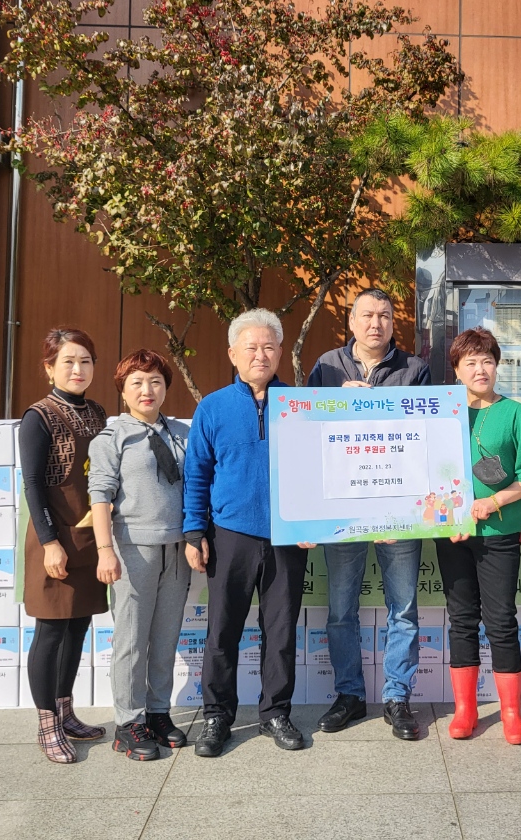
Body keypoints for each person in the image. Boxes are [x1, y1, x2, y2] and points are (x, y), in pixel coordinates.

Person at [304, 288, 431, 740]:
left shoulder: (414, 368)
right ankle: (350, 694)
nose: (376, 323)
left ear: (393, 322)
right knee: (341, 610)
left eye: (384, 315)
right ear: (351, 321)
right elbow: (307, 431)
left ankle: (398, 696)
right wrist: (338, 401)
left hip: (399, 510)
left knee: (404, 609)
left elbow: (425, 437)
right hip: (342, 509)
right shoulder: (327, 366)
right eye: (367, 315)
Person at [184, 309, 309, 756]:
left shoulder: (299, 405)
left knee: (281, 630)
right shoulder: (213, 406)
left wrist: (314, 520)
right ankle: (217, 715)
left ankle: (275, 712)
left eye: (269, 346)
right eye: (251, 347)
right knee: (222, 630)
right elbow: (197, 472)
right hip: (229, 534)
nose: (261, 354)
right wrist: (194, 531)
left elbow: (318, 468)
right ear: (232, 353)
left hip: (288, 536)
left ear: (281, 352)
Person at [440, 327, 521, 745]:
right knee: (461, 619)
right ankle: (465, 709)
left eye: (487, 361)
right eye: (470, 362)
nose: (480, 369)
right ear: (456, 370)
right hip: (452, 532)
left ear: (497, 366)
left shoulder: (515, 413)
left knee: (501, 620)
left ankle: (510, 712)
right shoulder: (442, 412)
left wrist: (497, 500)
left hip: (500, 531)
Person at [88, 349, 191, 761]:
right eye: (137, 382)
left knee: (165, 638)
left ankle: (158, 712)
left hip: (177, 549)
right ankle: (128, 723)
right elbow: (100, 497)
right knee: (131, 641)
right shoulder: (111, 438)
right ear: (123, 390)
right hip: (133, 550)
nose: (147, 390)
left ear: (166, 387)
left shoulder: (181, 433)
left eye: (155, 382)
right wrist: (105, 551)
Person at [20, 327, 111, 764]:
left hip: (88, 537)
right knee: (51, 631)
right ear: (49, 368)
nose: (78, 369)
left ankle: (65, 711)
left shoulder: (97, 412)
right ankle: (46, 725)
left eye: (85, 361)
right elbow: (33, 485)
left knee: (77, 627)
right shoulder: (38, 416)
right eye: (68, 361)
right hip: (54, 540)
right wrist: (50, 543)